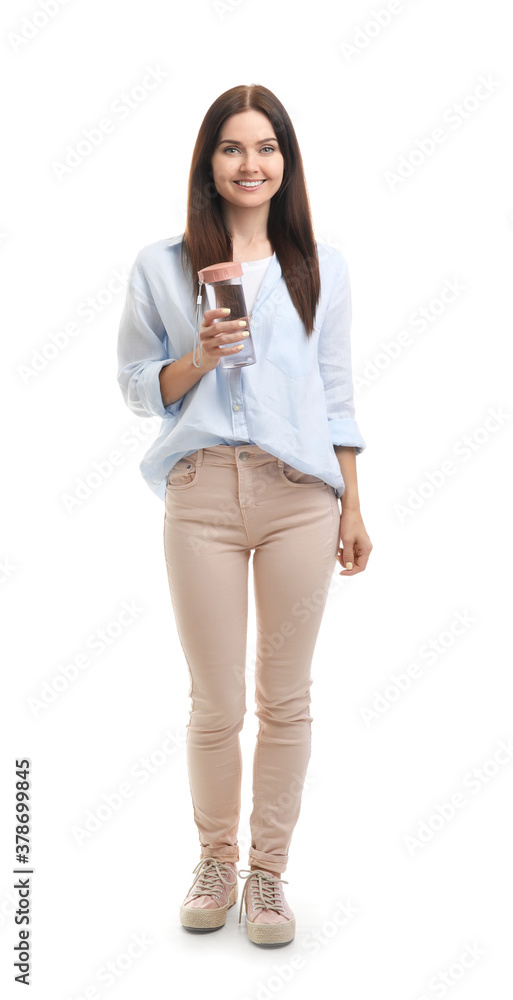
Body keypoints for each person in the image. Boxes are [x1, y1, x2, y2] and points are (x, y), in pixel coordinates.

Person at [116, 83, 372, 947]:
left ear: (286, 162)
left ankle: (267, 876)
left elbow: (336, 396)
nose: (250, 164)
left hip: (300, 497)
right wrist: (196, 357)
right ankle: (215, 859)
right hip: (199, 497)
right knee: (215, 700)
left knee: (286, 698)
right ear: (209, 161)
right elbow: (134, 387)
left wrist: (352, 505)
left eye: (266, 148)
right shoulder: (161, 263)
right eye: (232, 148)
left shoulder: (320, 267)